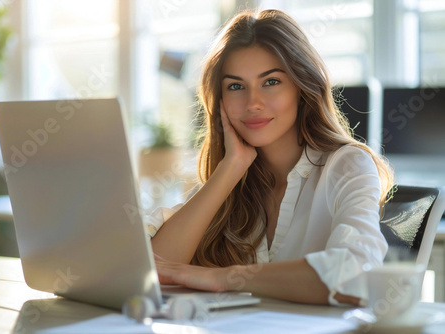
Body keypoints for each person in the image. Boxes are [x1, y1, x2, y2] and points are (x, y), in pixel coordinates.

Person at [146, 9, 394, 306]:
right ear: (220, 102)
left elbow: (356, 275)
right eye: (236, 86)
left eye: (271, 82)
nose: (253, 103)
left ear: (302, 87)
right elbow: (150, 269)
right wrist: (230, 168)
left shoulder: (347, 165)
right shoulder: (230, 179)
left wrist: (226, 277)